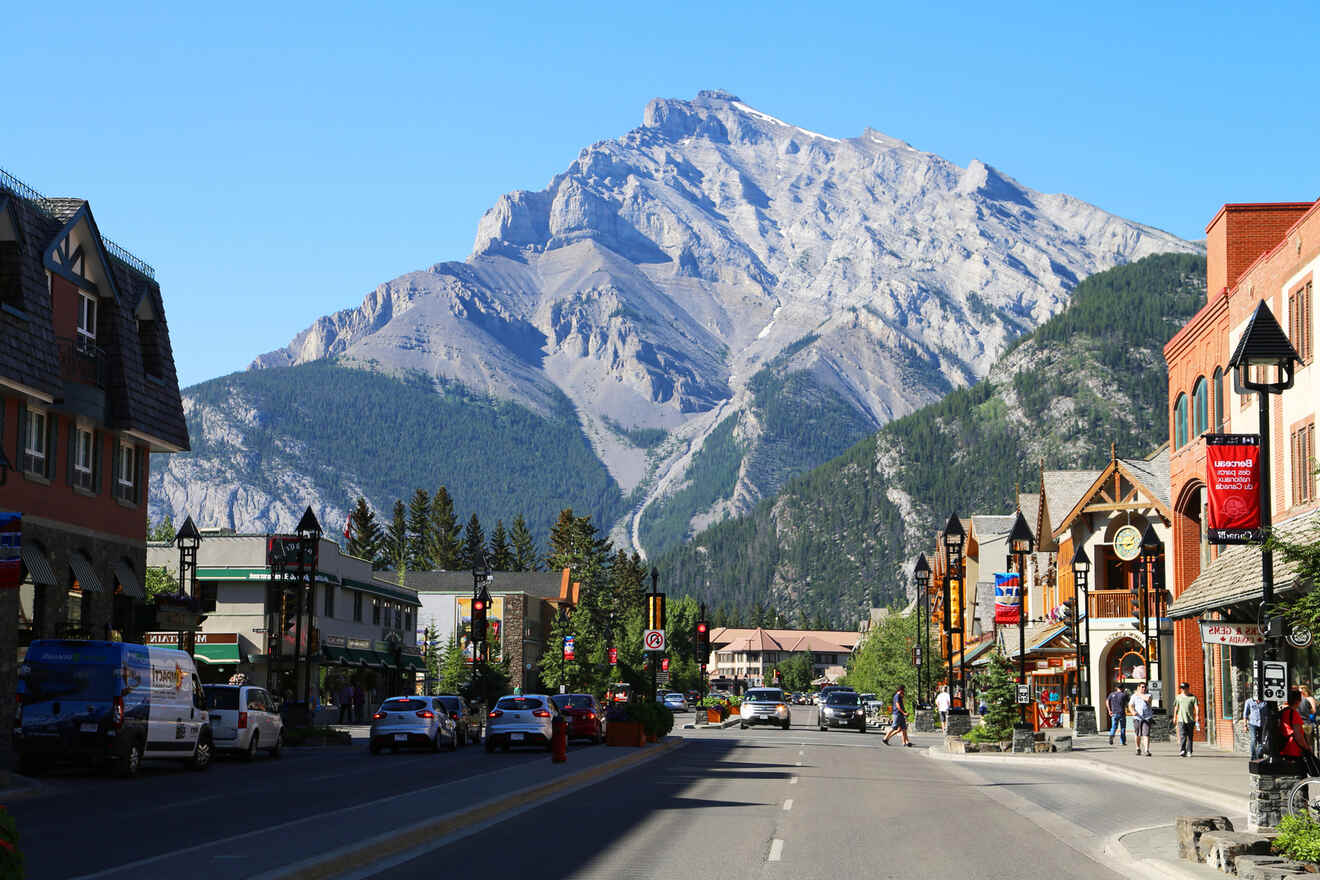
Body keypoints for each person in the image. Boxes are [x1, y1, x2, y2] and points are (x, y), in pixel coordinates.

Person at [1281, 689, 1320, 775]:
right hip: (1294, 749)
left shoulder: (1283, 712)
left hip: (1284, 747)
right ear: (1298, 701)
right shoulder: (1294, 714)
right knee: (1300, 775)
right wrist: (1307, 747)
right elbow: (1298, 736)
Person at [1174, 681, 1200, 757]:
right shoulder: (1178, 697)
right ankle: (1182, 750)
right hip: (1181, 719)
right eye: (1182, 688)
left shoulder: (1193, 697)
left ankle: (1189, 751)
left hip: (1190, 719)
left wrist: (1197, 716)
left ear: (1188, 688)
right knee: (1182, 735)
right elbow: (1176, 707)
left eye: (1184, 688)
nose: (1183, 690)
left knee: (1190, 736)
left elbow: (1196, 707)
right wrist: (1174, 717)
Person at [1129, 682, 1154, 756]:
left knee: (1146, 734)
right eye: (1142, 687)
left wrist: (1138, 693)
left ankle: (1147, 750)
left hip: (1147, 718)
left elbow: (1147, 699)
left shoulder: (1149, 695)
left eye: (1145, 687)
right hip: (1137, 717)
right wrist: (1132, 711)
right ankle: (1138, 748)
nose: (1144, 688)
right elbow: (1130, 705)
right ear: (1139, 687)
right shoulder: (1133, 696)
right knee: (1137, 734)